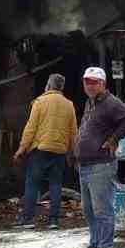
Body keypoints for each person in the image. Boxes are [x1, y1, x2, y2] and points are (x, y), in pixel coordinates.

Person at [72, 66, 125, 248]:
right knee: (89, 209)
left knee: (103, 209)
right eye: (87, 82)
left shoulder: (110, 103)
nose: (89, 85)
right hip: (86, 165)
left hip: (101, 165)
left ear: (103, 83)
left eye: (94, 82)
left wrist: (113, 139)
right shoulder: (90, 103)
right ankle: (95, 245)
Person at [13, 74, 78, 230]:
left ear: (48, 86)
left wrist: (21, 149)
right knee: (55, 185)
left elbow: (30, 128)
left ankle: (27, 219)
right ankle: (53, 221)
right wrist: (72, 153)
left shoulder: (40, 102)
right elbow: (73, 132)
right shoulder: (69, 105)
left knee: (32, 184)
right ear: (62, 87)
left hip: (40, 151)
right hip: (59, 152)